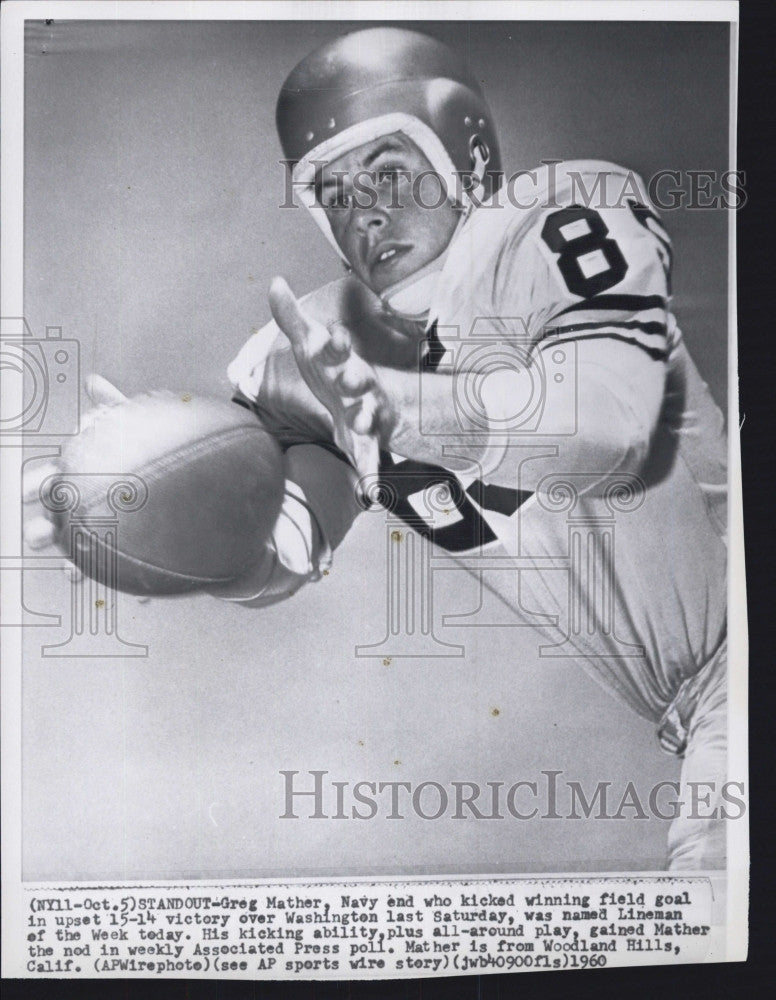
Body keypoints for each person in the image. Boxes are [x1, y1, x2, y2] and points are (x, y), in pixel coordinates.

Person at [27, 27, 729, 869]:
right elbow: (289, 540)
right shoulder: (317, 345)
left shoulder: (553, 218)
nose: (364, 209)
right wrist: (175, 540)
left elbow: (610, 428)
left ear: (464, 152)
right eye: (333, 190)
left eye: (389, 170)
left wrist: (397, 406)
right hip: (692, 705)